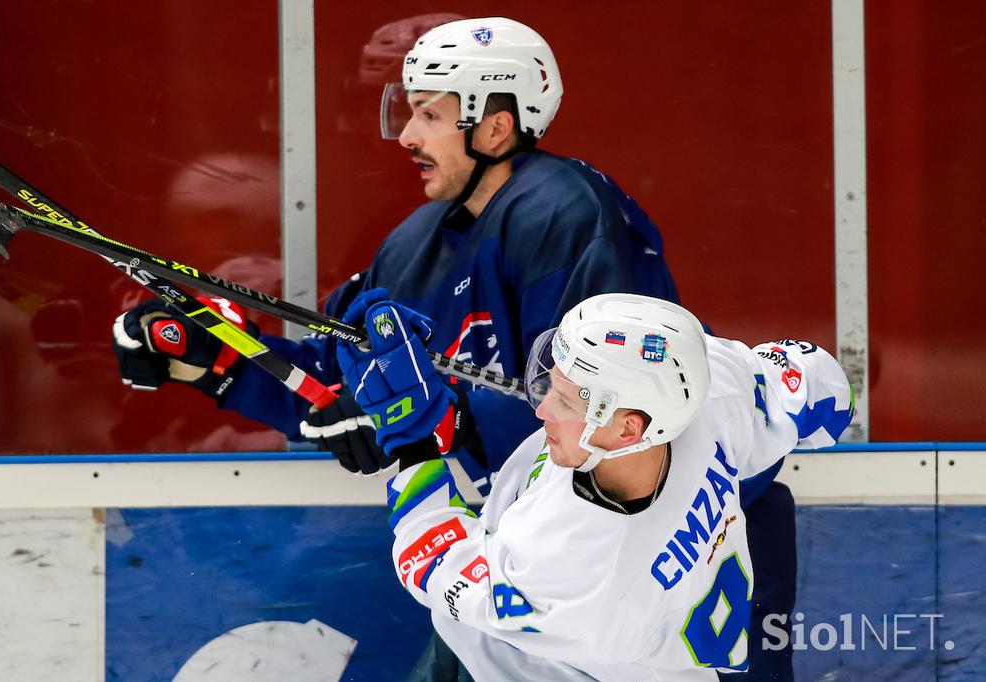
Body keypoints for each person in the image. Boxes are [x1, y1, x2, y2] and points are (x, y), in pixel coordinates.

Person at [110, 15, 795, 678]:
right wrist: (218, 358)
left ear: (496, 126)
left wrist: (429, 420)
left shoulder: (563, 212)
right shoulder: (417, 241)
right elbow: (346, 379)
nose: (404, 135)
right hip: (514, 566)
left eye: (429, 115)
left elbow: (583, 407)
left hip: (626, 573)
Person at [334, 292, 853, 681]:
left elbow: (432, 560)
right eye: (552, 385)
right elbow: (819, 387)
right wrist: (460, 421)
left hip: (540, 662)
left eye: (564, 399)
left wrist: (412, 439)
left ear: (628, 428)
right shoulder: (709, 392)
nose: (541, 410)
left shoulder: (573, 565)